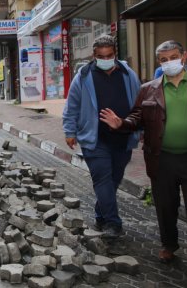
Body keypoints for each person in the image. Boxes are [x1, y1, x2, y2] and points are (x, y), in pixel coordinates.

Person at [99, 40, 187, 288]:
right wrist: (122, 124)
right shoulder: (148, 89)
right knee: (165, 209)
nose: (169, 63)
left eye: (173, 57)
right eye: (163, 59)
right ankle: (169, 244)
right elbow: (137, 117)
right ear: (159, 62)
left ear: (184, 56)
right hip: (162, 160)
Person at [62, 34, 141, 239]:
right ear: (94, 55)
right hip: (94, 139)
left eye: (110, 55)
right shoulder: (84, 76)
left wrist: (140, 129)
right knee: (102, 179)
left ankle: (100, 213)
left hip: (123, 137)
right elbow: (72, 106)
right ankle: (113, 223)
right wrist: (70, 131)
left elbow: (139, 104)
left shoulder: (128, 74)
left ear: (115, 54)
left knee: (114, 179)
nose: (106, 59)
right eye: (101, 56)